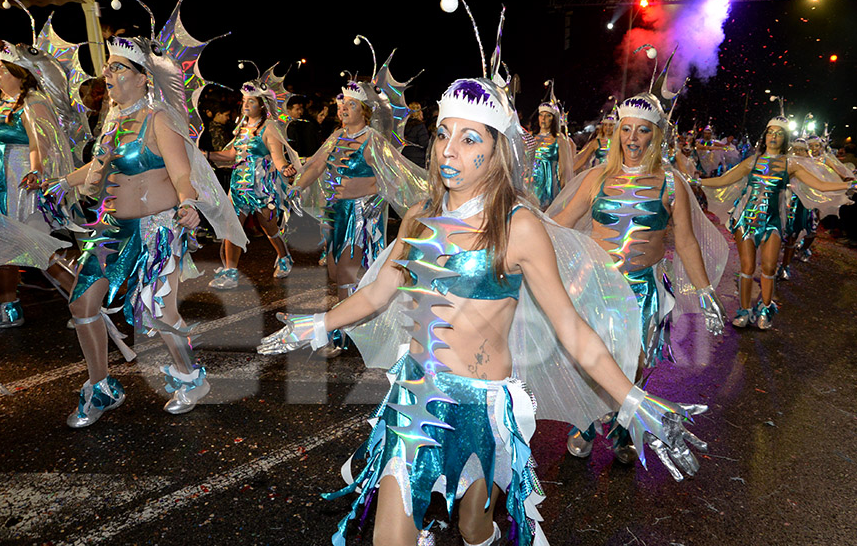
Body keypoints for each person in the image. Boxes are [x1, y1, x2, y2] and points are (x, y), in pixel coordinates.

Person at [259, 76, 708, 546]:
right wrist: (315, 325)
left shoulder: (518, 226)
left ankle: (481, 531)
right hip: (414, 398)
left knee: (475, 529)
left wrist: (632, 401)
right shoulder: (418, 216)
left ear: (497, 153)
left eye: (469, 138)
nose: (448, 151)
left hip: (482, 407)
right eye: (442, 134)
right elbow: (376, 294)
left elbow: (571, 329)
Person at [44, 29, 245, 427]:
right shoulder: (115, 119)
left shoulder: (159, 120)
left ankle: (190, 377)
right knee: (82, 304)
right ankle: (100, 387)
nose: (109, 74)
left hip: (155, 229)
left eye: (118, 68)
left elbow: (182, 172)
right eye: (108, 69)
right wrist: (60, 183)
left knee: (159, 311)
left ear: (141, 77)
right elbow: (97, 167)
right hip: (111, 228)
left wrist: (188, 203)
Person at [549, 89, 727, 460]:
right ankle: (584, 420)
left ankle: (620, 428)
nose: (632, 138)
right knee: (590, 356)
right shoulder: (597, 178)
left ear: (655, 135)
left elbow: (688, 242)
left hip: (643, 289)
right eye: (626, 129)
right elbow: (560, 223)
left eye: (642, 130)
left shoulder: (670, 182)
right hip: (596, 286)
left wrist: (705, 290)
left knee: (636, 363)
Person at [701, 115, 853, 329]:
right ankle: (745, 311)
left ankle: (765, 308)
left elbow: (819, 184)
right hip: (746, 219)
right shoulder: (752, 161)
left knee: (770, 267)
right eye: (771, 132)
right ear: (765, 136)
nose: (774, 136)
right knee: (747, 266)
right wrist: (691, 181)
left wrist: (847, 185)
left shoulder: (790, 164)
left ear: (785, 138)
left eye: (779, 133)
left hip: (772, 222)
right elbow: (723, 180)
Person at [288, 78, 427, 301]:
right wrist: (297, 187)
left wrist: (381, 200)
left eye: (351, 105)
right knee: (335, 273)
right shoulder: (336, 137)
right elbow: (315, 165)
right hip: (335, 212)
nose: (343, 108)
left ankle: (346, 329)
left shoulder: (373, 141)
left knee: (345, 274)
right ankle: (361, 311)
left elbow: (396, 178)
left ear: (364, 112)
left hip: (360, 214)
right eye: (342, 104)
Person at [0, 44, 75, 330]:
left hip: (18, 187)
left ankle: (86, 301)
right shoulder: (6, 102)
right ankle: (7, 308)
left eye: (3, 68)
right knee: (1, 247)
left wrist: (36, 172)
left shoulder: (32, 102)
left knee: (37, 249)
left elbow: (41, 145)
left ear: (21, 73)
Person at [207, 78, 297, 287]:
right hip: (239, 186)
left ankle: (284, 257)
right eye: (244, 101)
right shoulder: (241, 128)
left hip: (262, 188)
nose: (246, 105)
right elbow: (232, 155)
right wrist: (207, 154)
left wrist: (285, 169)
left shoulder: (269, 128)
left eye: (251, 102)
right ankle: (231, 273)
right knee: (232, 228)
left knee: (269, 228)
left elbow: (277, 157)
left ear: (262, 105)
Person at [526, 87, 574, 210]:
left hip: (550, 186)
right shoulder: (531, 138)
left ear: (553, 119)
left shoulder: (559, 139)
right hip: (532, 184)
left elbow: (564, 168)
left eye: (548, 116)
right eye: (541, 115)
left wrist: (563, 192)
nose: (543, 119)